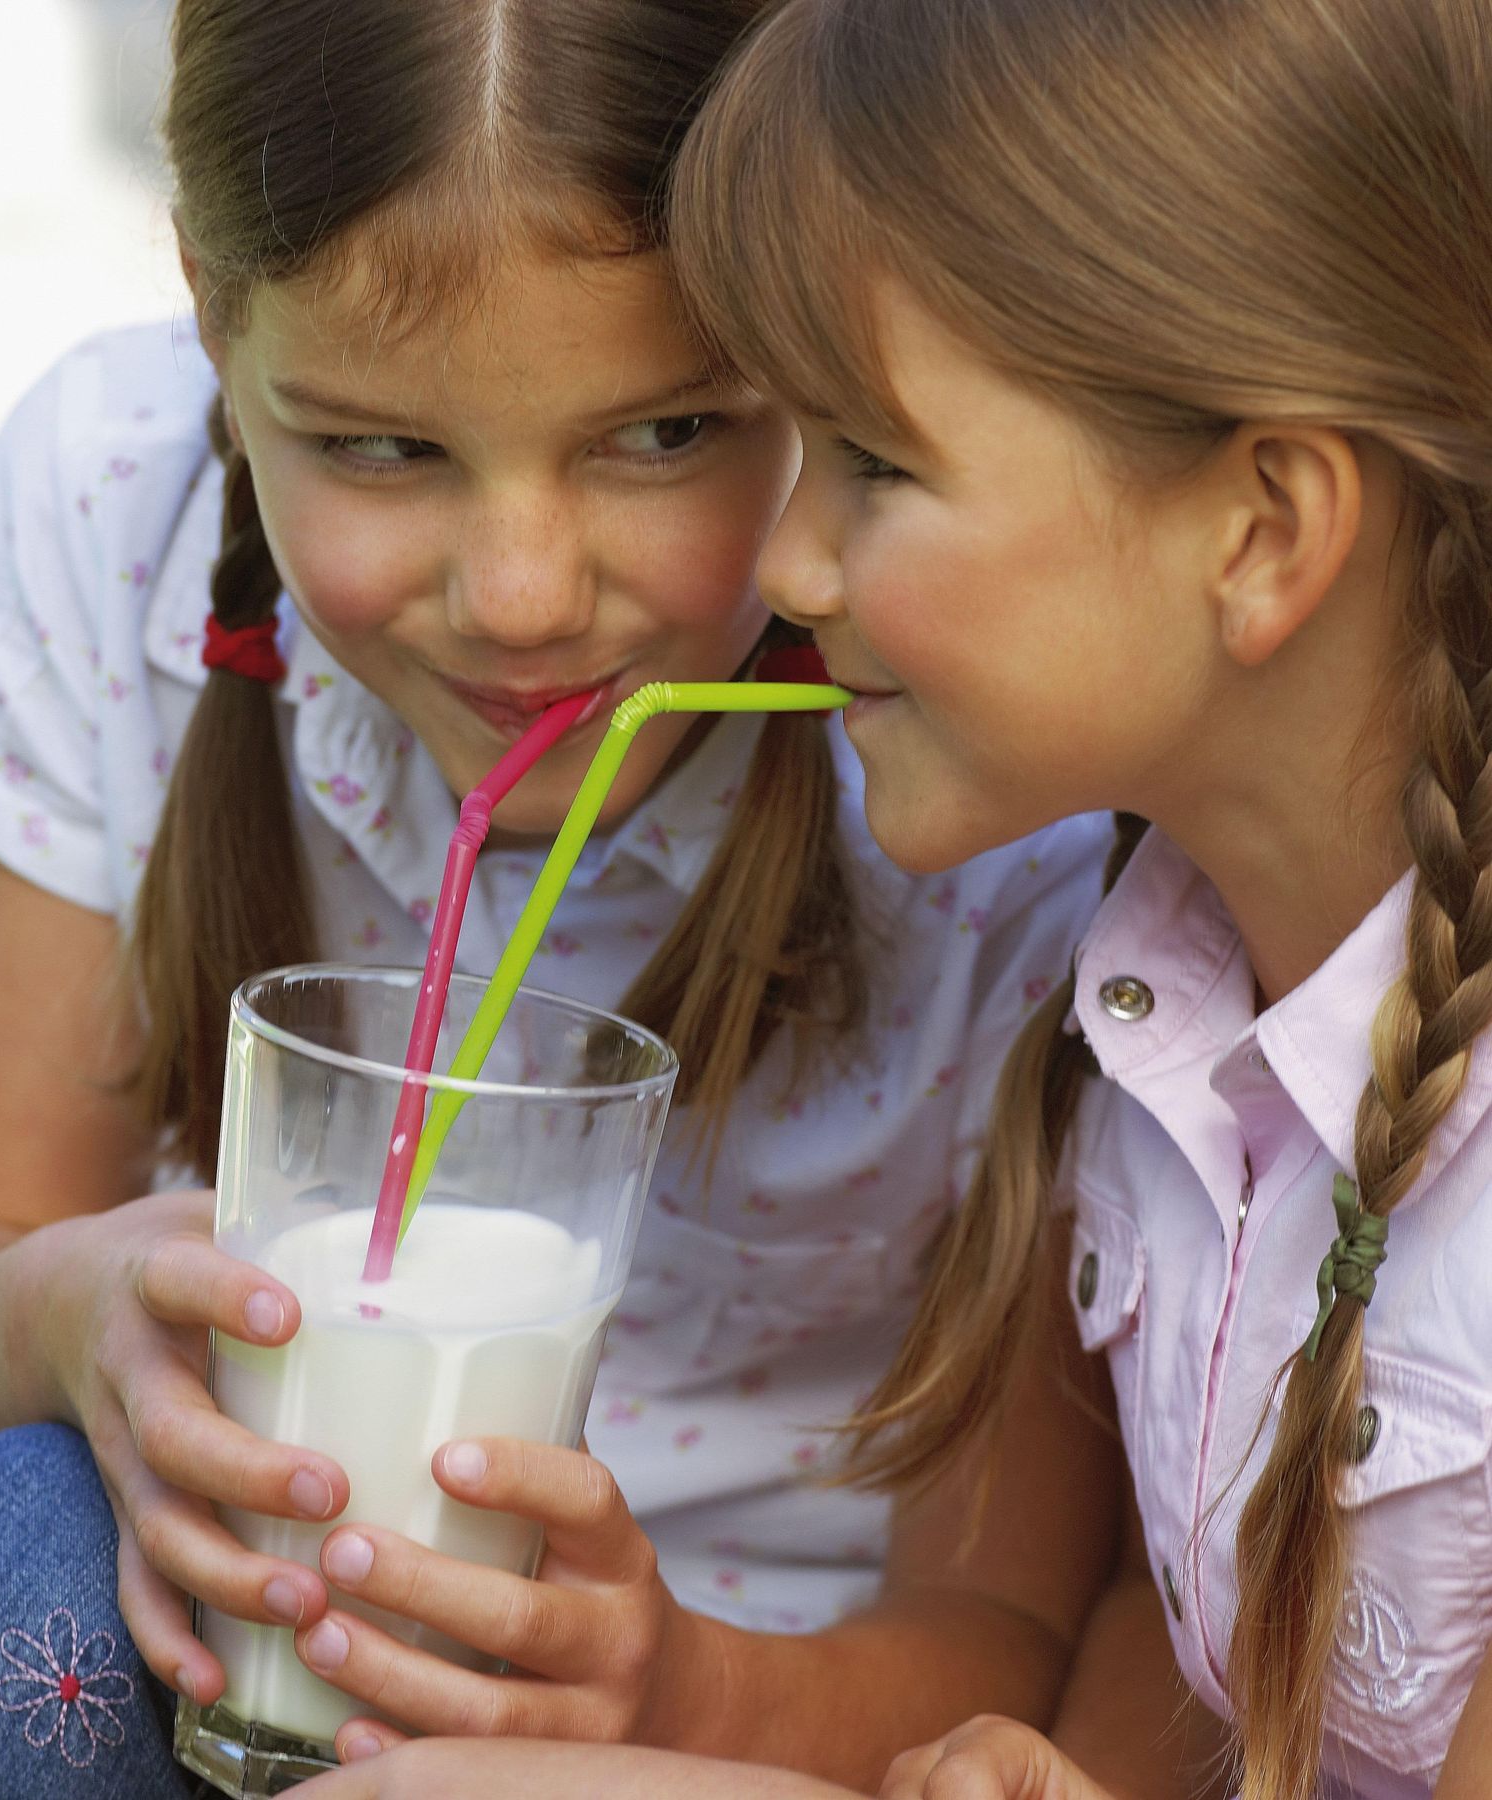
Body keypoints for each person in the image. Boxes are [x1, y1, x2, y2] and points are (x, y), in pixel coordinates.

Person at [0, 5, 1208, 1800]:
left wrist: (669, 1693)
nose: (522, 596)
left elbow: (1007, 1634)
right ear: (211, 311)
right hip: (215, 1679)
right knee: (10, 1541)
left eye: (666, 432)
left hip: (705, 1747)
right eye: (378, 449)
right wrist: (63, 1311)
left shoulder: (993, 768)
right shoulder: (124, 513)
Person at [646, 0, 1485, 1793]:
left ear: (1263, 530)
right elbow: (1170, 1654)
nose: (786, 565)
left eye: (874, 462)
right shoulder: (1162, 998)